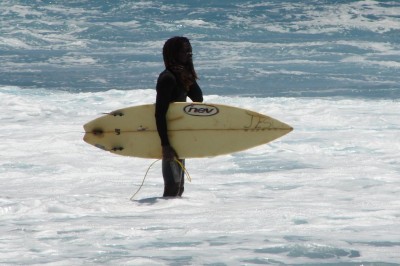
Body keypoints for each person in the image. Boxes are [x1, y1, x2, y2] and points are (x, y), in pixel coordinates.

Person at [155, 36, 203, 197]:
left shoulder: (181, 76)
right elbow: (160, 113)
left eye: (190, 51)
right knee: (172, 187)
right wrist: (165, 145)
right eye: (185, 51)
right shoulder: (167, 78)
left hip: (179, 135)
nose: (189, 54)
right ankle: (162, 218)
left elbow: (198, 99)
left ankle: (173, 220)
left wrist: (188, 75)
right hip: (169, 137)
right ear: (174, 54)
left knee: (179, 188)